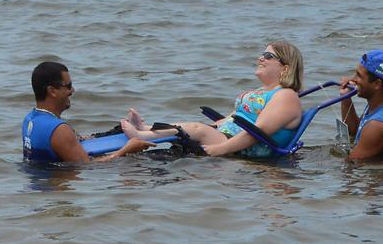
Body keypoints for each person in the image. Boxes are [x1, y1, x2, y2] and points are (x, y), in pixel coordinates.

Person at [120, 41, 305, 158]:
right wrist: (212, 127)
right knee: (196, 127)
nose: (260, 58)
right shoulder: (262, 92)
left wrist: (220, 149)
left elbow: (257, 132)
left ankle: (140, 136)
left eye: (268, 56)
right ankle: (146, 129)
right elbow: (232, 119)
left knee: (197, 129)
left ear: (285, 68)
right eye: (262, 54)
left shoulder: (286, 96)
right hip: (228, 135)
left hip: (242, 147)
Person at [22, 61, 153, 163]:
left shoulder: (30, 119)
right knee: (156, 161)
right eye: (68, 85)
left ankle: (134, 129)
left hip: (42, 182)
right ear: (52, 91)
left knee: (116, 133)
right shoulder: (59, 130)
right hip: (57, 182)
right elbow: (86, 167)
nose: (72, 90)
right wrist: (126, 150)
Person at [338, 50, 383, 161]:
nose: (353, 79)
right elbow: (355, 131)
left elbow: (350, 164)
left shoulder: (377, 126)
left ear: (377, 84)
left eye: (359, 76)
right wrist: (346, 98)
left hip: (378, 175)